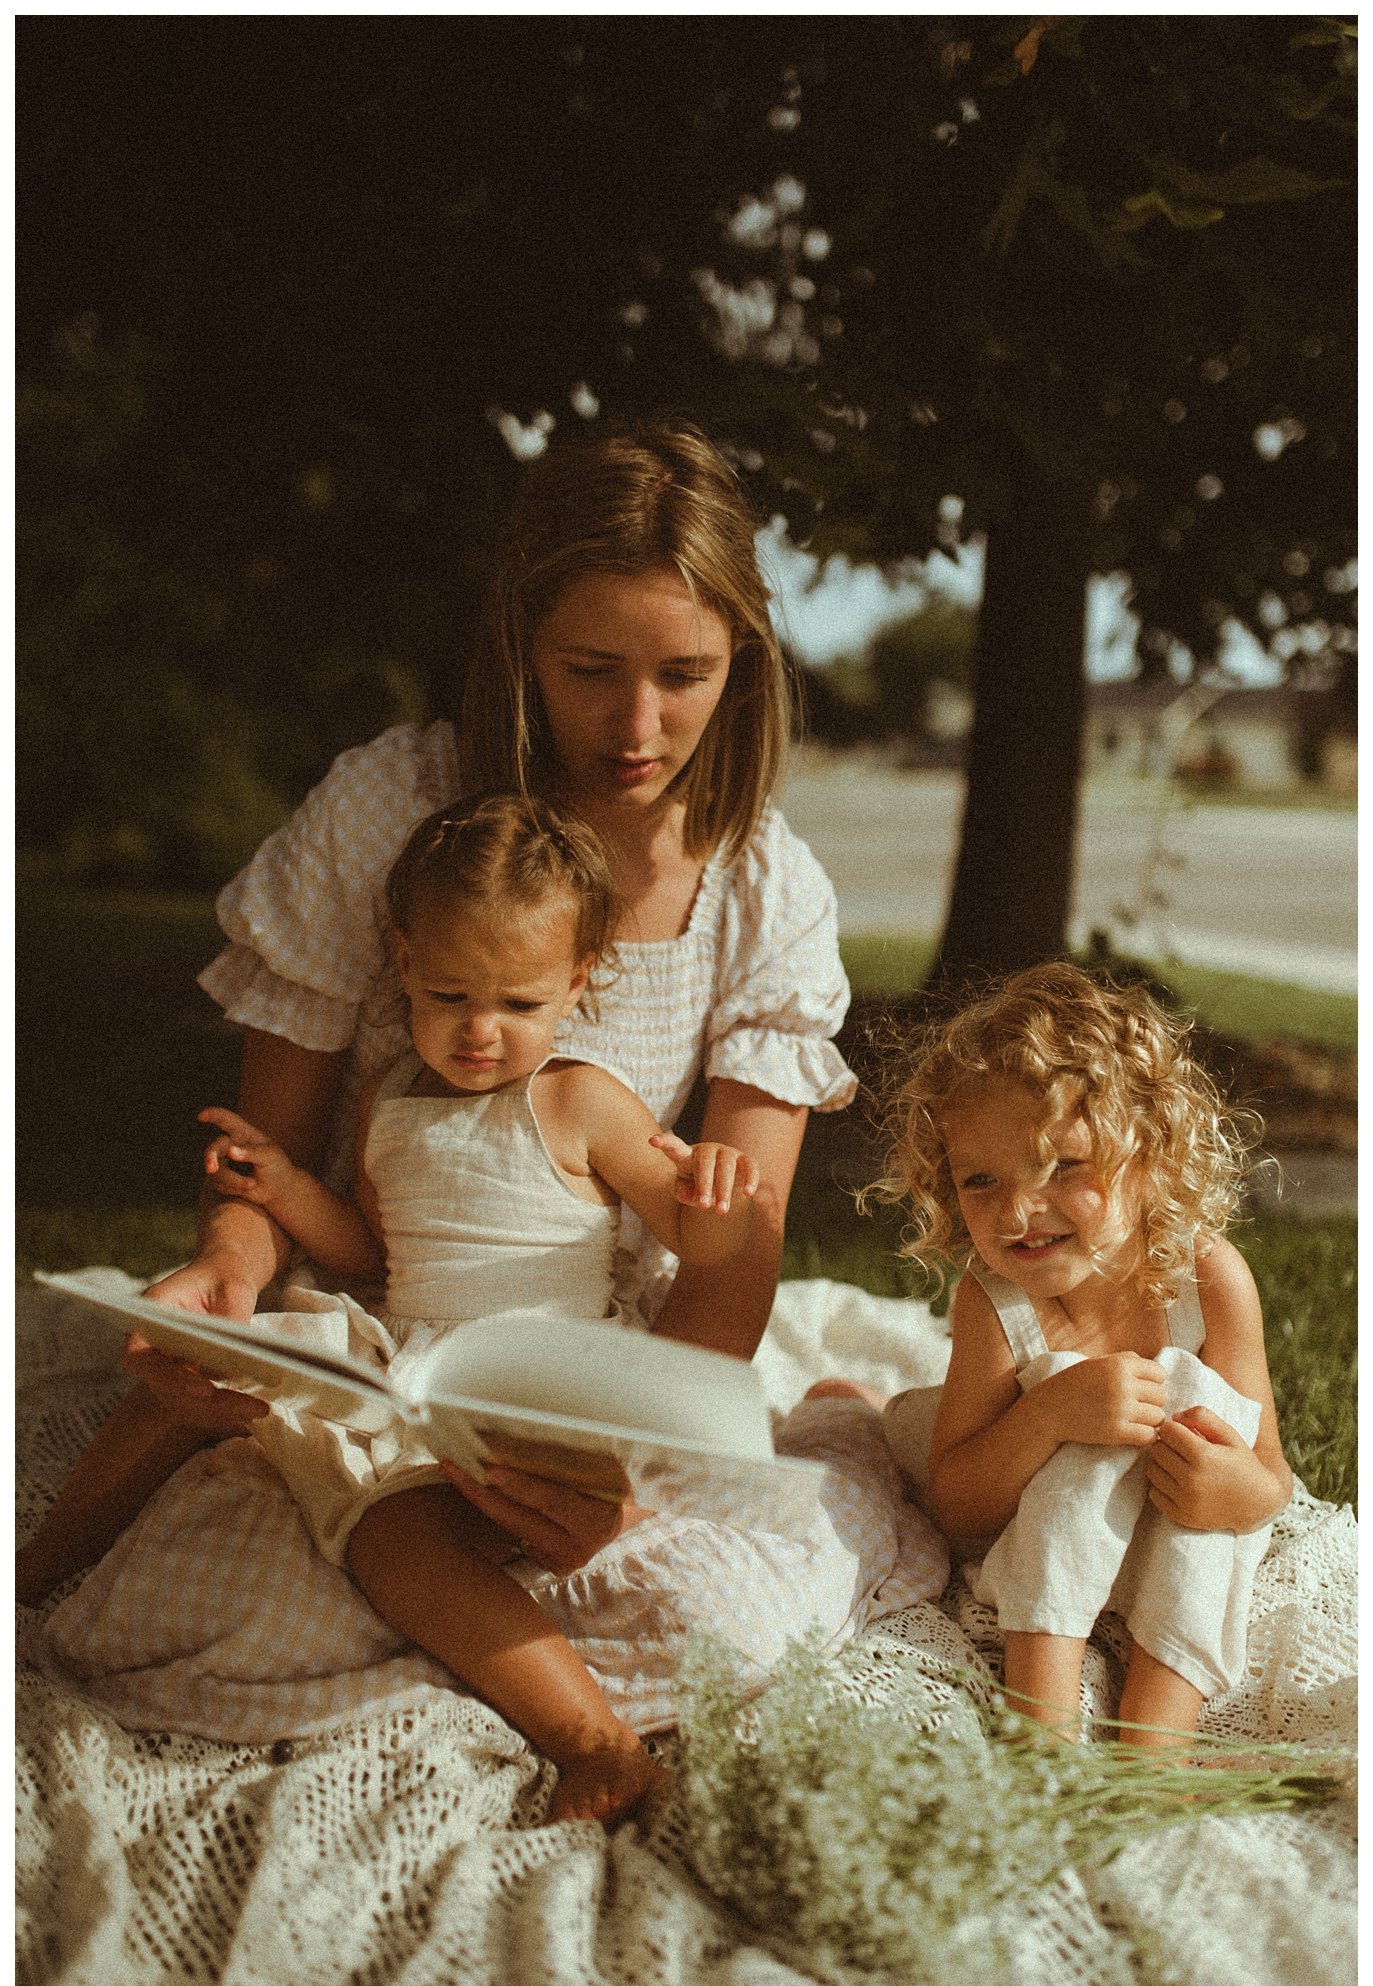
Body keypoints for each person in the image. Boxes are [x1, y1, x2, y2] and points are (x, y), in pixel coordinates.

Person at [21, 423, 949, 1767]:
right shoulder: (392, 807)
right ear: (522, 641)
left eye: (683, 676)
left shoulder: (762, 888)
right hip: (371, 1308)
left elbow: (729, 1253)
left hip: (608, 1358)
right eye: (591, 671)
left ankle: (574, 1712)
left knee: (732, 1627)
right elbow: (270, 1166)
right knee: (232, 1594)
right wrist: (228, 1272)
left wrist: (630, 1473)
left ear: (744, 659)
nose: (638, 727)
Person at [187, 792, 759, 1823]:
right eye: (450, 993)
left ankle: (597, 1742)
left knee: (421, 1523)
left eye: (518, 1003)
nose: (481, 1031)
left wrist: (718, 1192)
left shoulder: (580, 1099)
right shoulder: (390, 1099)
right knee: (271, 1426)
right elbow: (374, 1249)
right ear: (402, 962)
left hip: (550, 1373)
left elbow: (700, 1242)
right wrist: (280, 1189)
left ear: (577, 982)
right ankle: (37, 1567)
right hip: (418, 1366)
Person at [860, 963, 1291, 1748]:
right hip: (1014, 1511)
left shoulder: (1210, 1280)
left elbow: (1270, 1477)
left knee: (1198, 1407)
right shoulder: (996, 1298)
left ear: (1147, 1155)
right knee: (1069, 1411)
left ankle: (1156, 1744)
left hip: (1158, 1527)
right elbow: (960, 1508)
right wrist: (1052, 1414)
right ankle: (1043, 1726)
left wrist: (1236, 1490)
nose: (1018, 1211)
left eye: (1061, 1166)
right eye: (980, 1179)